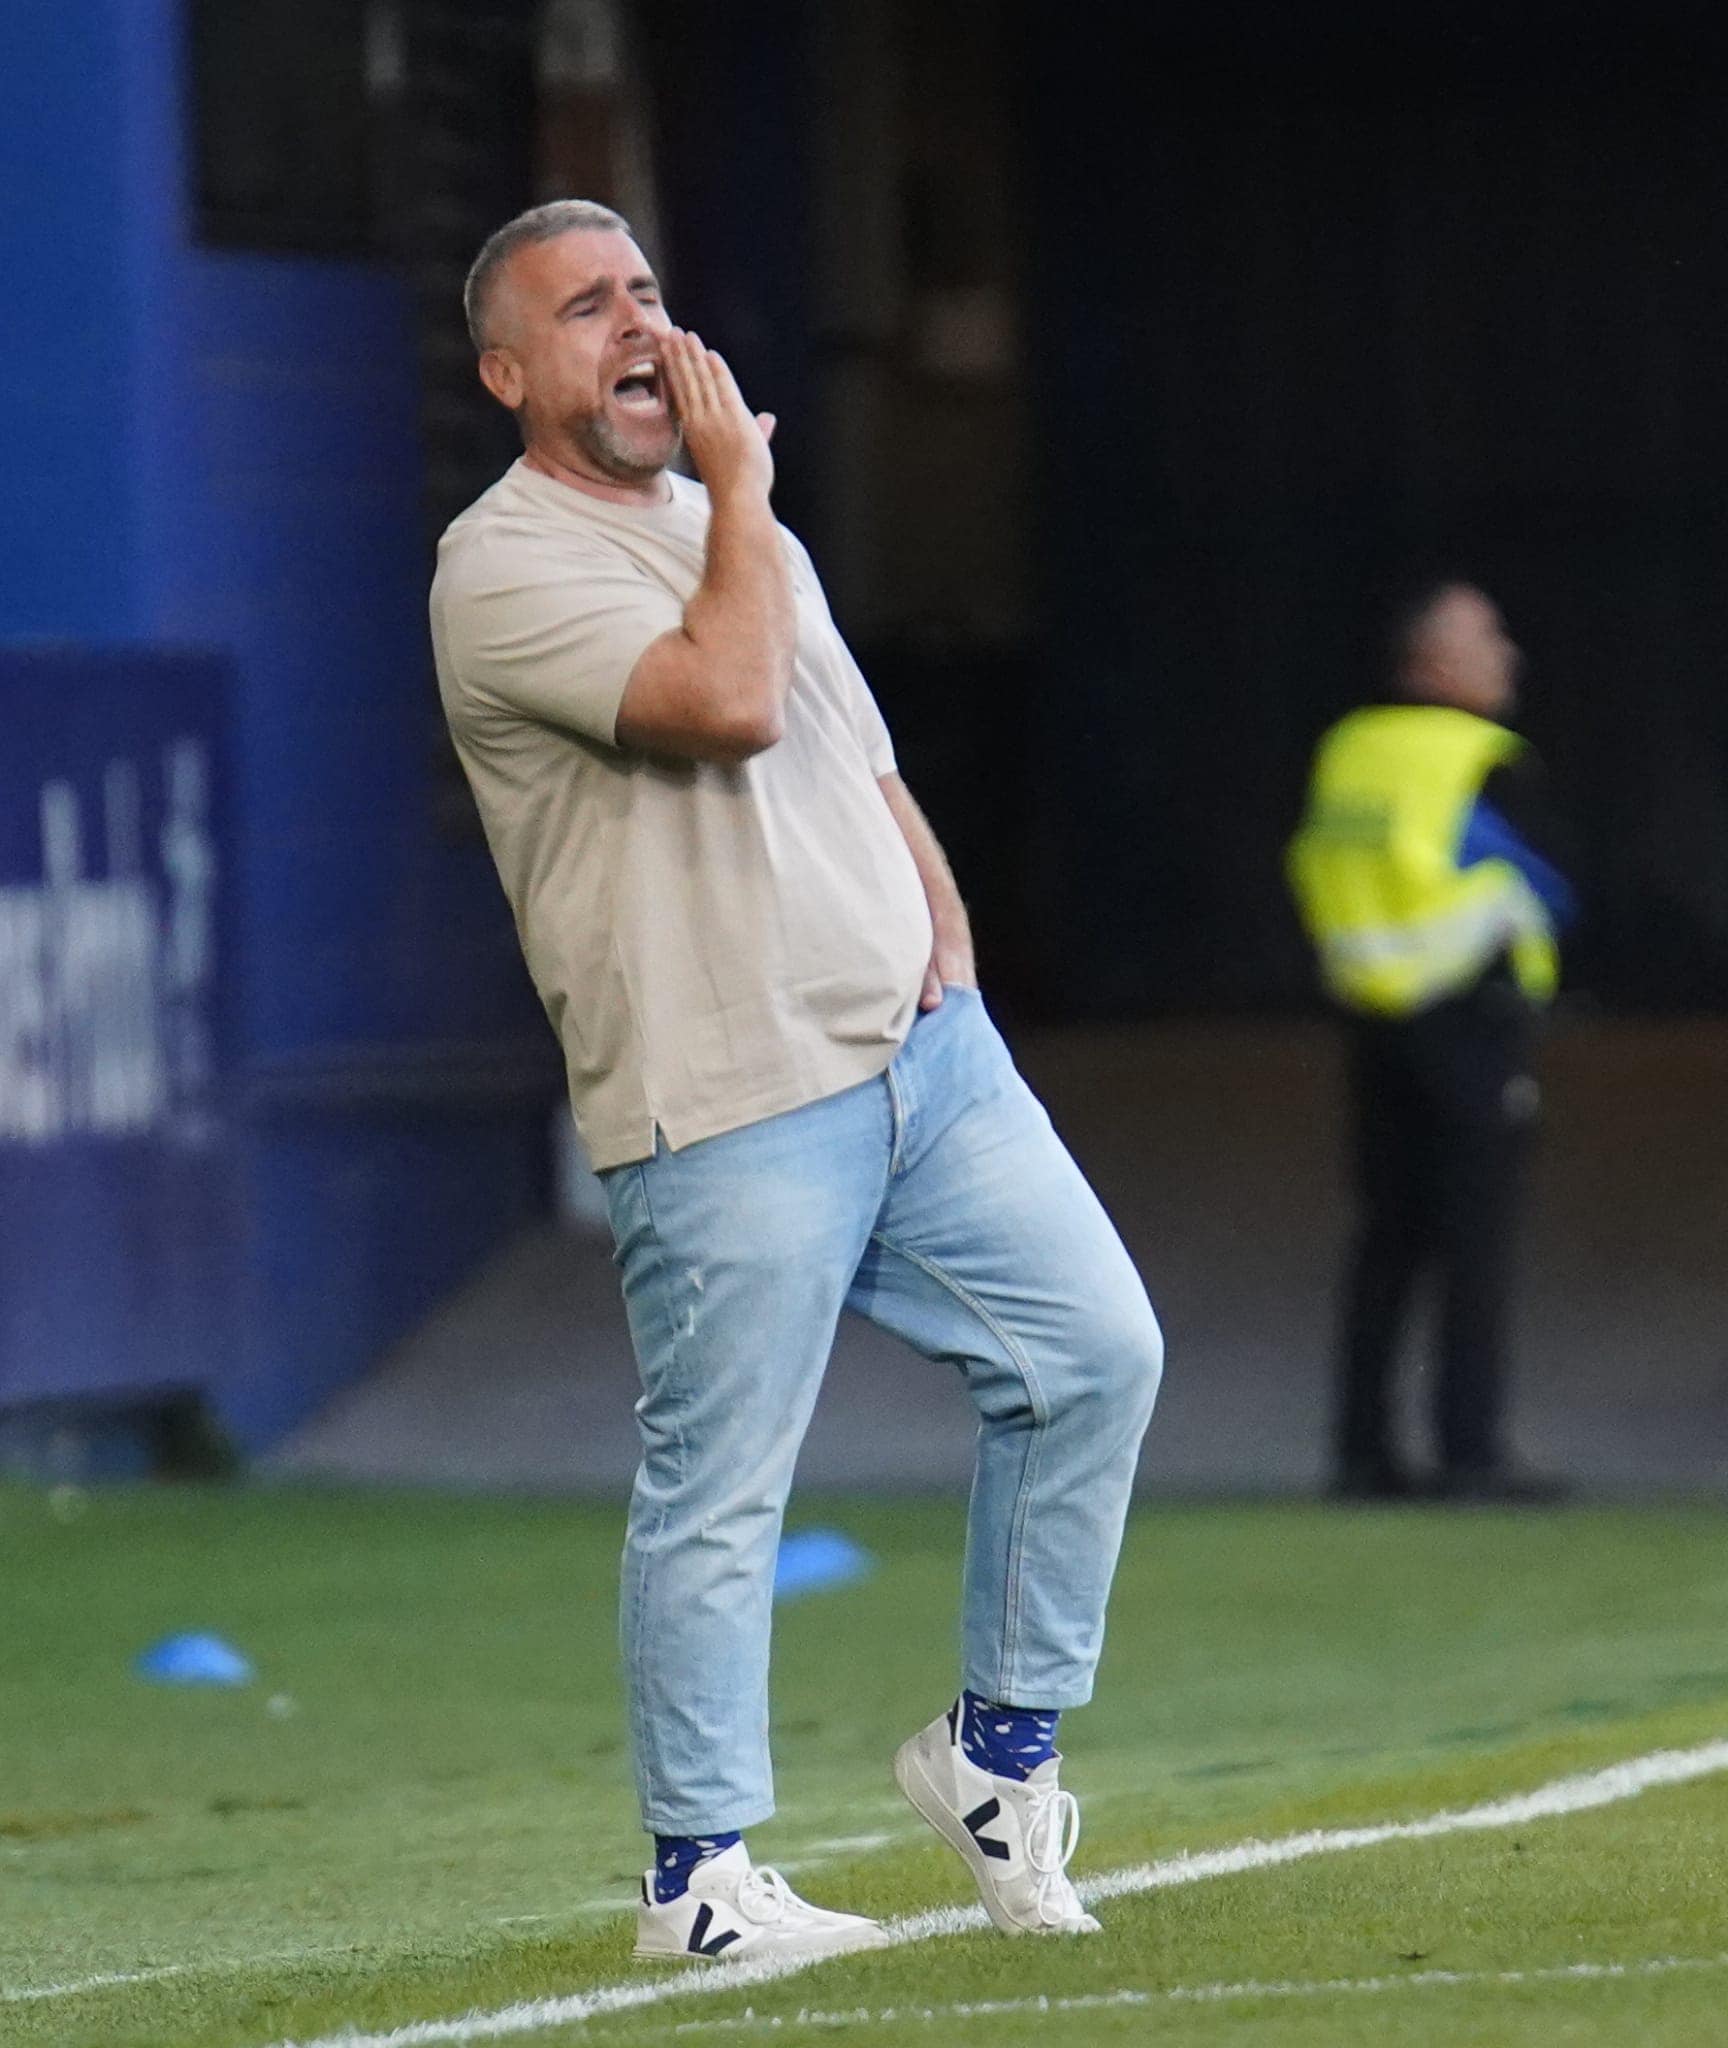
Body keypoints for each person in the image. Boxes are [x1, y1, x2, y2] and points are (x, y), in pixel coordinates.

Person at [430, 200, 1163, 1962]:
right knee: (721, 1484)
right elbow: (730, 698)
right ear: (506, 369)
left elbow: (848, 739)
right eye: (586, 308)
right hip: (727, 1093)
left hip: (922, 1059)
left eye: (648, 293)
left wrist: (941, 910)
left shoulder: (723, 522)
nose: (638, 328)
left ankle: (994, 1757)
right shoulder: (502, 563)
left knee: (1093, 1356)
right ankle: (695, 1882)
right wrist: (742, 491)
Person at [1287, 582, 1576, 1505]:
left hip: (1372, 1017)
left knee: (1387, 1236)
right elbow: (1541, 884)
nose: (1507, 657)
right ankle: (1471, 1452)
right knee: (1476, 1239)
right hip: (1470, 1017)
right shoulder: (1484, 758)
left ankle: (1362, 1449)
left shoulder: (1349, 751)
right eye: (1486, 639)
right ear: (1433, 664)